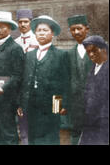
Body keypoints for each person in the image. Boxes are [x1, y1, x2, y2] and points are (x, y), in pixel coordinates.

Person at [18, 15, 70, 145]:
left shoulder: (60, 55)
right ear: (35, 33)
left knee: (50, 137)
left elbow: (64, 82)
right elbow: (24, 81)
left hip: (51, 105)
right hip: (31, 105)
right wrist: (21, 103)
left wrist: (58, 107)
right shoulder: (29, 55)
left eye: (45, 30)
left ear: (52, 33)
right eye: (39, 30)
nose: (41, 33)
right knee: (33, 137)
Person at [0, 11, 24, 145]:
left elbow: (18, 75)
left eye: (2, 26)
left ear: (10, 28)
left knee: (8, 134)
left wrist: (3, 88)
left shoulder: (15, 48)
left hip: (6, 100)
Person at [66, 15, 94, 145]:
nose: (76, 32)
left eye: (79, 28)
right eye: (73, 29)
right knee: (75, 137)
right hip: (75, 107)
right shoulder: (68, 54)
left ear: (87, 29)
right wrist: (58, 106)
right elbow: (62, 81)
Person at [14, 9, 38, 145]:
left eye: (26, 22)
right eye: (20, 22)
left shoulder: (38, 39)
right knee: (22, 123)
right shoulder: (15, 42)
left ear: (31, 22)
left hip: (35, 87)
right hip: (20, 89)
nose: (23, 25)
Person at [80, 35, 109, 145]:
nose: (91, 54)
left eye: (94, 50)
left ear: (104, 49)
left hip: (104, 123)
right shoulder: (92, 68)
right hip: (90, 121)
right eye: (88, 52)